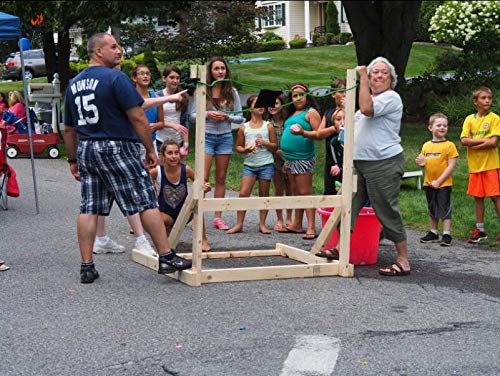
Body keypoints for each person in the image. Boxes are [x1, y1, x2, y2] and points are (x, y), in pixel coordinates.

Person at [63, 32, 192, 284]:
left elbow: (69, 129)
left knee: (89, 207)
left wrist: (72, 159)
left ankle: (87, 265)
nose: (119, 50)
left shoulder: (74, 83)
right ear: (98, 51)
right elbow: (137, 117)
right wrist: (151, 150)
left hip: (87, 147)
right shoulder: (116, 78)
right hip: (116, 146)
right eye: (113, 46)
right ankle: (166, 255)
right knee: (145, 200)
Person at [319, 57, 410, 276]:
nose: (379, 76)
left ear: (391, 79)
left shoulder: (391, 98)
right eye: (374, 73)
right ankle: (340, 248)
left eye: (384, 73)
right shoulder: (364, 105)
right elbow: (355, 120)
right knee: (346, 203)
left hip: (384, 163)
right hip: (359, 164)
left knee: (385, 208)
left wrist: (361, 76)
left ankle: (403, 260)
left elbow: (368, 109)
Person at [189, 57, 244, 230]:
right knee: (203, 179)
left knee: (221, 178)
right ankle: (197, 217)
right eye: (216, 69)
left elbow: (240, 116)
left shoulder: (231, 91)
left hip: (225, 137)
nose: (220, 71)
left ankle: (218, 217)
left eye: (222, 68)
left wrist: (227, 116)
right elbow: (191, 116)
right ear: (210, 72)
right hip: (206, 136)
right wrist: (207, 114)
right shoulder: (202, 90)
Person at [227, 95, 277, 234]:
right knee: (243, 193)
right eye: (257, 104)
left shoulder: (269, 126)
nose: (261, 106)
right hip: (249, 165)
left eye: (262, 104)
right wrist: (245, 149)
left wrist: (265, 143)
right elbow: (238, 147)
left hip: (266, 164)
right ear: (250, 108)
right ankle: (239, 224)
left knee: (264, 194)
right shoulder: (244, 128)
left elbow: (274, 146)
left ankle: (262, 224)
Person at [150, 139, 212, 252]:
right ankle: (163, 240)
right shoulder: (157, 172)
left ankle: (203, 240)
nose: (174, 156)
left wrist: (206, 188)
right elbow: (141, 185)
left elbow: (202, 183)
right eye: (169, 153)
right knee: (157, 219)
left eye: (176, 153)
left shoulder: (186, 170)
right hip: (165, 213)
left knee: (197, 208)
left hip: (184, 212)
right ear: (163, 155)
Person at [280, 83, 321, 240]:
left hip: (303, 157)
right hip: (290, 159)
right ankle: (297, 223)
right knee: (296, 191)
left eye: (300, 95)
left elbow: (318, 133)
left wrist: (302, 131)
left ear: (307, 96)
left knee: (305, 191)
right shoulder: (290, 114)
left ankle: (311, 226)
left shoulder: (310, 112)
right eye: (294, 96)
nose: (298, 98)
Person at [460, 86, 500, 244]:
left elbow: (493, 143)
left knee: (496, 197)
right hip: (475, 166)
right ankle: (480, 230)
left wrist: (473, 144)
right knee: (478, 198)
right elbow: (464, 140)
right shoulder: (469, 119)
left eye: (489, 98)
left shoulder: (494, 118)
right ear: (475, 101)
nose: (487, 101)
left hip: (490, 165)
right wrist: (484, 141)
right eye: (483, 98)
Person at [416, 113, 459, 246]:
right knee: (432, 206)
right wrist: (421, 163)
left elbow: (451, 166)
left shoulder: (449, 145)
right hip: (429, 182)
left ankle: (446, 234)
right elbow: (424, 161)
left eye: (445, 125)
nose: (442, 127)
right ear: (430, 127)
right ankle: (433, 232)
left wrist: (439, 181)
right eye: (439, 125)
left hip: (443, 184)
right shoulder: (426, 146)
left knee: (444, 207)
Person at [292, 108, 346, 188]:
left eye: (345, 119)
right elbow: (319, 134)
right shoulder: (333, 142)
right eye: (338, 119)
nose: (342, 122)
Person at [268, 93, 293, 232]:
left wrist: (287, 159)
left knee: (290, 188)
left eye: (276, 103)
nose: (273, 107)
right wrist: (279, 154)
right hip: (274, 159)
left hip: (289, 158)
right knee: (278, 189)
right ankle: (279, 218)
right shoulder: (267, 123)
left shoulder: (288, 121)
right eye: (271, 104)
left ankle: (289, 218)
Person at [156, 65, 189, 155]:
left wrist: (186, 142)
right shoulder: (158, 96)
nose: (175, 81)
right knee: (162, 168)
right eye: (171, 77)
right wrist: (173, 125)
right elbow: (156, 121)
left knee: (177, 168)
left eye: (177, 78)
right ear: (164, 78)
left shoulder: (183, 96)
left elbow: (184, 120)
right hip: (161, 140)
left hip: (178, 140)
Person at [321, 79, 346, 194]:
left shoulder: (355, 112)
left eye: (347, 91)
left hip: (348, 162)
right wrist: (333, 129)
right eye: (341, 91)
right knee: (330, 193)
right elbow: (318, 133)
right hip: (331, 161)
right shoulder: (329, 113)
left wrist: (347, 110)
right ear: (333, 94)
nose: (344, 94)